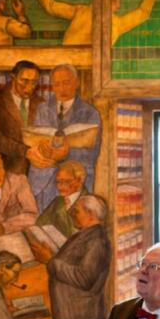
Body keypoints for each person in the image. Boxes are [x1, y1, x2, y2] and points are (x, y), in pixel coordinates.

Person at [26, 64, 101, 210]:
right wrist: (33, 152)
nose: (61, 89)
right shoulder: (42, 109)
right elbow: (36, 139)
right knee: (43, 225)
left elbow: (93, 152)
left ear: (76, 83)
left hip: (73, 181)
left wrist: (65, 153)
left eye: (66, 83)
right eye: (57, 84)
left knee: (71, 226)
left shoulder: (90, 113)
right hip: (43, 180)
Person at [0, 60, 44, 175]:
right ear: (12, 77)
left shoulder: (41, 103)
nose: (29, 87)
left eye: (34, 82)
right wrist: (26, 152)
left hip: (37, 173)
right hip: (6, 172)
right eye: (24, 81)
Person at [34, 0, 159, 46]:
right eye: (117, 2)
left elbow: (50, 6)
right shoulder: (117, 23)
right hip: (85, 64)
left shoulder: (81, 11)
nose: (119, 6)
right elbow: (142, 13)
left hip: (69, 58)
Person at [35, 161, 88, 238]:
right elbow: (39, 225)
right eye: (58, 182)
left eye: (67, 181)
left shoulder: (88, 202)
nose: (60, 186)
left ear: (79, 181)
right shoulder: (57, 201)